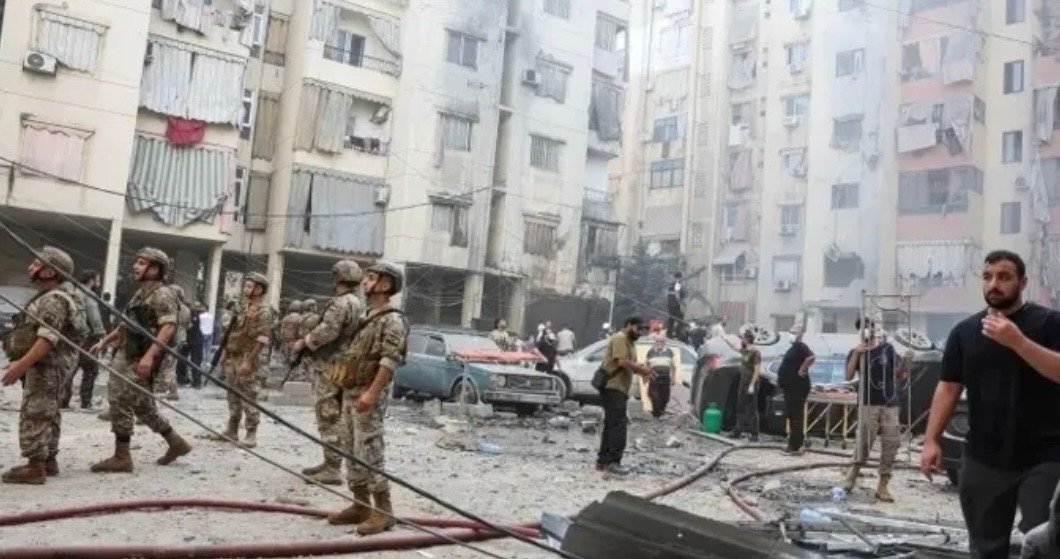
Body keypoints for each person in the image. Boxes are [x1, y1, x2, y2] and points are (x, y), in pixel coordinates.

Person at [921, 250, 1060, 558]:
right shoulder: (964, 332)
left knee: (1045, 545)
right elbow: (948, 387)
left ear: (1023, 282)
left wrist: (1018, 342)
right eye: (987, 277)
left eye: (1004, 277)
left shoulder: (1050, 323)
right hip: (984, 458)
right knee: (986, 548)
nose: (994, 284)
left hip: (1045, 457)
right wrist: (931, 439)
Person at [88, 247, 192, 473]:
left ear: (155, 269)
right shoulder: (142, 293)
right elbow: (126, 324)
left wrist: (149, 356)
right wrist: (105, 342)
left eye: (142, 263)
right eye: (137, 262)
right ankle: (176, 442)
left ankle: (122, 456)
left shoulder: (162, 294)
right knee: (142, 405)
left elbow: (168, 327)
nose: (135, 266)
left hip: (139, 357)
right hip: (128, 353)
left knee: (120, 399)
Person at [326, 262, 408, 536]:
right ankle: (360, 504)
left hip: (368, 393)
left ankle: (383, 510)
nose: (364, 282)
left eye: (371, 278)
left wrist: (372, 394)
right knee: (350, 448)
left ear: (385, 284)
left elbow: (389, 360)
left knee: (370, 449)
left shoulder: (393, 320)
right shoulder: (367, 316)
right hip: (352, 391)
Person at [0, 247, 86, 484]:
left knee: (36, 410)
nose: (31, 267)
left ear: (50, 272)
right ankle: (48, 460)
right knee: (50, 410)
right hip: (53, 365)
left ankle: (35, 467)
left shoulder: (54, 299)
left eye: (37, 264)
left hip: (48, 366)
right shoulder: (55, 296)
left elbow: (47, 339)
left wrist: (20, 366)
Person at [291, 262, 364, 485]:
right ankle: (331, 462)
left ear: (338, 278)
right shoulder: (357, 302)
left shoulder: (342, 303)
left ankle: (332, 468)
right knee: (334, 413)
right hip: (344, 364)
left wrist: (304, 342)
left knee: (327, 413)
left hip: (332, 366)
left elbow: (328, 330)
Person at [841, 318, 908, 502]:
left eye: (869, 327)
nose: (867, 330)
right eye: (862, 328)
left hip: (889, 402)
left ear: (874, 329)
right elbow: (848, 376)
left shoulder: (887, 349)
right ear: (859, 332)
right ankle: (852, 475)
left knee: (891, 442)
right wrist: (857, 353)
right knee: (865, 440)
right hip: (868, 402)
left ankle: (883, 485)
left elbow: (899, 374)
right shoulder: (856, 352)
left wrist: (906, 362)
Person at [214, 273, 273, 448]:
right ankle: (232, 430)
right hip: (233, 356)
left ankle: (251, 433)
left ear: (259, 289)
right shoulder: (243, 308)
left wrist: (249, 361)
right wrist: (224, 354)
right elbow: (231, 333)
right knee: (232, 395)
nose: (245, 289)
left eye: (249, 286)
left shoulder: (264, 312)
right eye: (245, 286)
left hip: (247, 357)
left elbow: (262, 339)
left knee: (249, 396)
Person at [596, 317, 653, 476]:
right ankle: (613, 462)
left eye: (642, 330)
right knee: (618, 425)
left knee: (611, 424)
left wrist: (641, 370)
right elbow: (621, 362)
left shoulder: (630, 342)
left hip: (619, 388)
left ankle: (603, 461)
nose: (640, 333)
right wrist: (641, 370)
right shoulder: (620, 338)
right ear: (629, 325)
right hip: (614, 386)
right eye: (638, 329)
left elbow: (628, 364)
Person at [61, 269, 105, 409]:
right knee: (91, 370)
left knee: (70, 368)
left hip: (69, 336)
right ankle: (86, 402)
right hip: (87, 337)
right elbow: (94, 317)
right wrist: (100, 333)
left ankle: (63, 400)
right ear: (91, 281)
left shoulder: (72, 292)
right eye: (98, 280)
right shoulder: (89, 295)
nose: (99, 283)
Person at [777, 326, 815, 455]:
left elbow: (811, 357)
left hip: (797, 387)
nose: (791, 334)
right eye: (790, 332)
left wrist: (802, 370)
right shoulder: (792, 348)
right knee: (792, 415)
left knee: (796, 415)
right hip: (789, 387)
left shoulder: (801, 347)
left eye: (794, 332)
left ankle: (795, 444)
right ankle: (795, 441)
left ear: (800, 334)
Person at [154, 283, 189, 401]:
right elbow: (187, 324)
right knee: (170, 363)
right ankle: (164, 387)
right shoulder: (186, 309)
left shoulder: (171, 307)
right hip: (181, 338)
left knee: (168, 364)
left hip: (170, 338)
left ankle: (171, 389)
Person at [727, 329, 761, 441]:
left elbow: (757, 370)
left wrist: (752, 385)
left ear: (747, 339)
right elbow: (734, 347)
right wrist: (724, 338)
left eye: (743, 338)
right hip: (743, 382)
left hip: (751, 383)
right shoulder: (745, 350)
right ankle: (738, 430)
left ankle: (755, 434)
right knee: (740, 406)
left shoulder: (755, 352)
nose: (742, 340)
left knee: (752, 409)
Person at [644, 334, 675, 419]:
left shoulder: (669, 352)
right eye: (657, 341)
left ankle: (661, 412)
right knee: (655, 397)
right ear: (655, 342)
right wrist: (647, 375)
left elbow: (673, 366)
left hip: (665, 377)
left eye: (661, 341)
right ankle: (656, 415)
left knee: (665, 397)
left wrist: (673, 378)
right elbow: (646, 364)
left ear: (664, 342)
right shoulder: (650, 352)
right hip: (654, 377)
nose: (659, 343)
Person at [186, 302, 205, 389]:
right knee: (195, 362)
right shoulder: (195, 317)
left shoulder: (195, 317)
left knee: (196, 362)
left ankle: (197, 382)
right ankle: (196, 381)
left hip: (196, 341)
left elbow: (191, 327)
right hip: (195, 341)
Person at [666, 272, 685, 339]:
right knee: (680, 320)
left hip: (670, 305)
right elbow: (677, 295)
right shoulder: (677, 284)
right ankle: (678, 335)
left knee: (671, 320)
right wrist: (681, 305)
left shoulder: (670, 285)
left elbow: (668, 294)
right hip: (676, 305)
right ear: (680, 277)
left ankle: (669, 335)